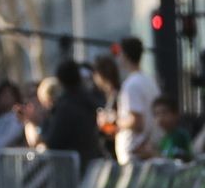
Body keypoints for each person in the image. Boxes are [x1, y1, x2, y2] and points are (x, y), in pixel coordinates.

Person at [38, 60, 101, 165]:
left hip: (69, 165)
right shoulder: (89, 100)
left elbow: (53, 140)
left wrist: (45, 124)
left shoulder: (65, 106)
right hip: (88, 158)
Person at [111, 37, 158, 165]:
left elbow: (137, 122)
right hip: (147, 149)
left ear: (124, 55)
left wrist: (115, 121)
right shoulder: (149, 81)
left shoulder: (131, 85)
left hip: (134, 153)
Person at [152, 97, 192, 161]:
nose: (160, 118)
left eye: (164, 113)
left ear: (176, 114)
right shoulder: (164, 140)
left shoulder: (179, 136)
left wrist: (154, 155)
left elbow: (176, 160)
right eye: (157, 114)